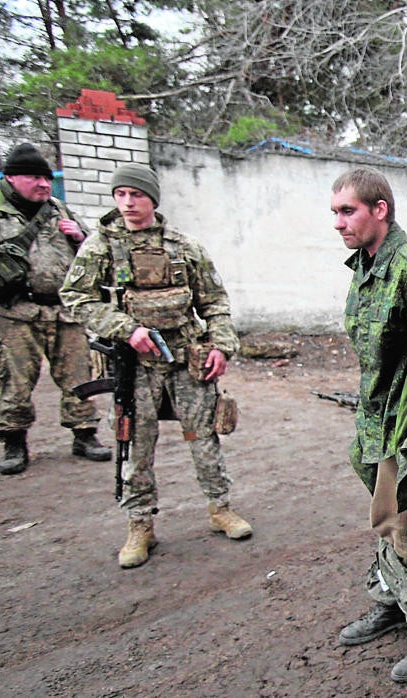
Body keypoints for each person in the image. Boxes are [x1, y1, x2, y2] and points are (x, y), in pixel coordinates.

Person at [60, 163, 253, 569]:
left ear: (153, 199)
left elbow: (214, 302)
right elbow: (76, 298)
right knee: (135, 443)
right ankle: (140, 523)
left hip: (186, 357)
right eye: (121, 195)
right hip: (135, 365)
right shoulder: (100, 246)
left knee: (204, 437)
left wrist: (221, 345)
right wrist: (126, 329)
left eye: (137, 195)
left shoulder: (184, 247)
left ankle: (220, 509)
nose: (128, 203)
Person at [330, 167, 407, 684]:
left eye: (348, 211)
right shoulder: (365, 265)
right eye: (335, 213)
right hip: (380, 418)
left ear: (379, 209)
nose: (338, 223)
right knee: (387, 523)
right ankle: (398, 603)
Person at [0, 143, 112, 474]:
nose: (43, 185)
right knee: (15, 381)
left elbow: (94, 253)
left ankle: (84, 435)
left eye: (47, 179)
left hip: (64, 311)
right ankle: (14, 441)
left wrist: (80, 237)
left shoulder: (59, 209)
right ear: (10, 178)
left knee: (79, 376)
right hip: (13, 314)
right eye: (34, 178)